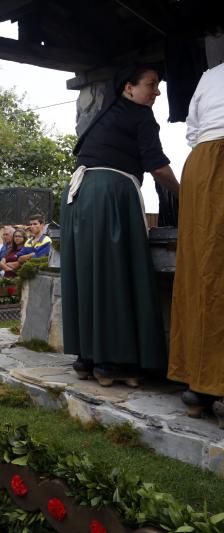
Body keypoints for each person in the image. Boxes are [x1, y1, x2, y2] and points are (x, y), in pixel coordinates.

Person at [61, 64, 180, 387]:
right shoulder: (140, 116)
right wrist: (186, 193)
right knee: (114, 275)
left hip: (77, 196)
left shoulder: (107, 114)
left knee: (89, 275)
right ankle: (111, 363)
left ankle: (87, 357)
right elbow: (156, 166)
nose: (156, 92)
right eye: (151, 84)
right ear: (129, 88)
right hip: (108, 195)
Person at [168, 62, 224, 421]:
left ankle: (197, 387)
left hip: (200, 163)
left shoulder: (209, 75)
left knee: (199, 271)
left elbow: (192, 131)